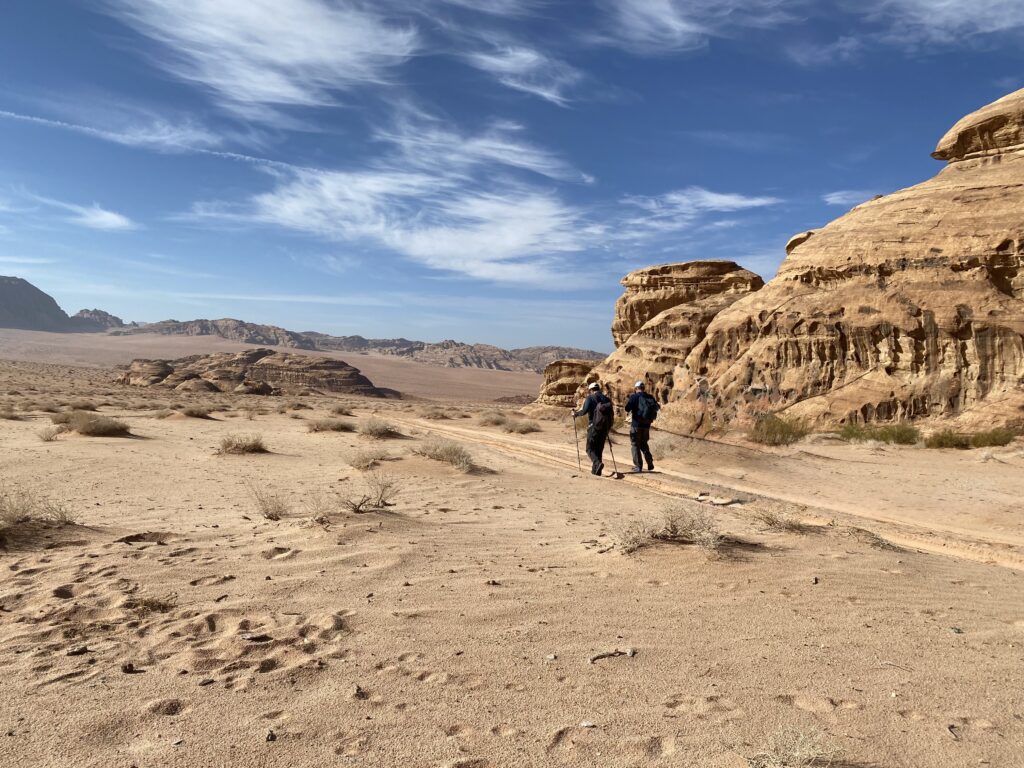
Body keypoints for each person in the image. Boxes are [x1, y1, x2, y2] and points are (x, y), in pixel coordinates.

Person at [572, 382, 614, 476]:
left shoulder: (590, 398)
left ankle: (597, 463)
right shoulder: (606, 399)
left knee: (589, 448)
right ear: (599, 389)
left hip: (593, 426)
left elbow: (584, 411)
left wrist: (575, 414)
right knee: (599, 449)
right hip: (604, 427)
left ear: (591, 390)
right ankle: (596, 471)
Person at [624, 380, 659, 473]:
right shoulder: (650, 397)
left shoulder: (634, 397)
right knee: (644, 444)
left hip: (636, 425)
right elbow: (657, 407)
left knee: (635, 445)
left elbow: (627, 408)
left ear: (636, 389)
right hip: (647, 426)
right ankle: (650, 462)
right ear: (643, 388)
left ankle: (638, 466)